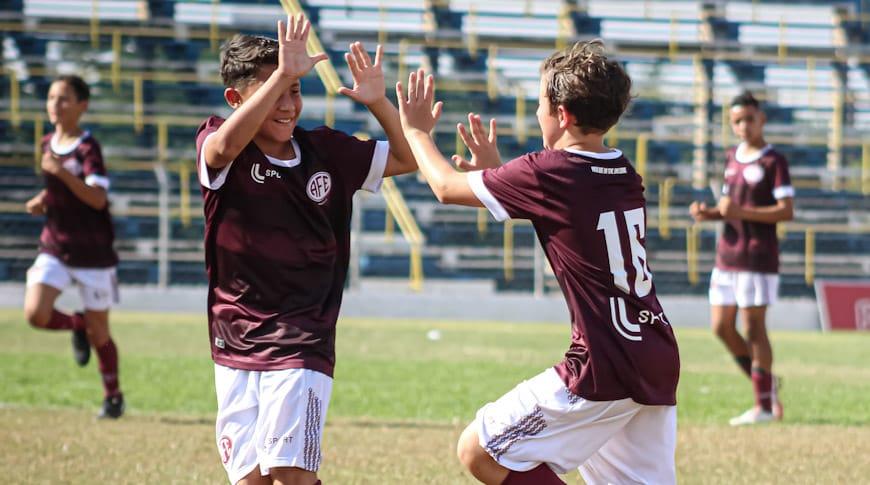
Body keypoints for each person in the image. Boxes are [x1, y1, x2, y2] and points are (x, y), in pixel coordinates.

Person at [396, 40, 680, 485]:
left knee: (480, 450)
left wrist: (415, 131)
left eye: (540, 104)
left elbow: (447, 187)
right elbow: (568, 212)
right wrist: (499, 175)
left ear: (563, 114)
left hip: (602, 362)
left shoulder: (548, 171)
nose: (536, 114)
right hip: (653, 349)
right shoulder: (623, 170)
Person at [196, 15, 416, 484]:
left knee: (289, 474)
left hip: (302, 337)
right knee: (252, 479)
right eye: (275, 91)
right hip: (233, 338)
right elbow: (222, 148)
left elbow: (406, 158)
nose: (287, 104)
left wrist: (378, 103)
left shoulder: (325, 151)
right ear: (235, 100)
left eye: (294, 90)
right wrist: (282, 74)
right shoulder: (218, 141)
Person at [23, 75, 124, 419]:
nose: (55, 104)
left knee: (102, 335)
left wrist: (61, 174)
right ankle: (78, 325)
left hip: (93, 253)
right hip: (55, 245)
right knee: (36, 313)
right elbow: (60, 191)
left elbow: (97, 199)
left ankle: (113, 397)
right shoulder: (46, 143)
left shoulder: (87, 148)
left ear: (83, 105)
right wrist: (42, 199)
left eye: (64, 98)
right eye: (51, 97)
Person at [690, 91, 793, 426]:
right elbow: (728, 208)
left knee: (753, 327)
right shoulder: (731, 157)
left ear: (761, 119)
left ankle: (763, 406)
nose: (744, 125)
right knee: (720, 326)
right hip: (727, 256)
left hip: (757, 258)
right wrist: (710, 214)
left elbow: (785, 211)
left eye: (749, 118)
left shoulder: (773, 161)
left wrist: (740, 212)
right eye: (737, 121)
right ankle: (766, 386)